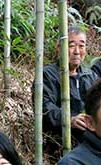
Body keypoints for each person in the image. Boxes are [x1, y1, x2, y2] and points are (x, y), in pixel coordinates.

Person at [42, 26, 98, 155]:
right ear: (59, 48)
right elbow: (45, 108)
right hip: (61, 139)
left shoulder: (90, 75)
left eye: (81, 46)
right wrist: (70, 119)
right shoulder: (48, 75)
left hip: (91, 134)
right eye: (71, 46)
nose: (77, 51)